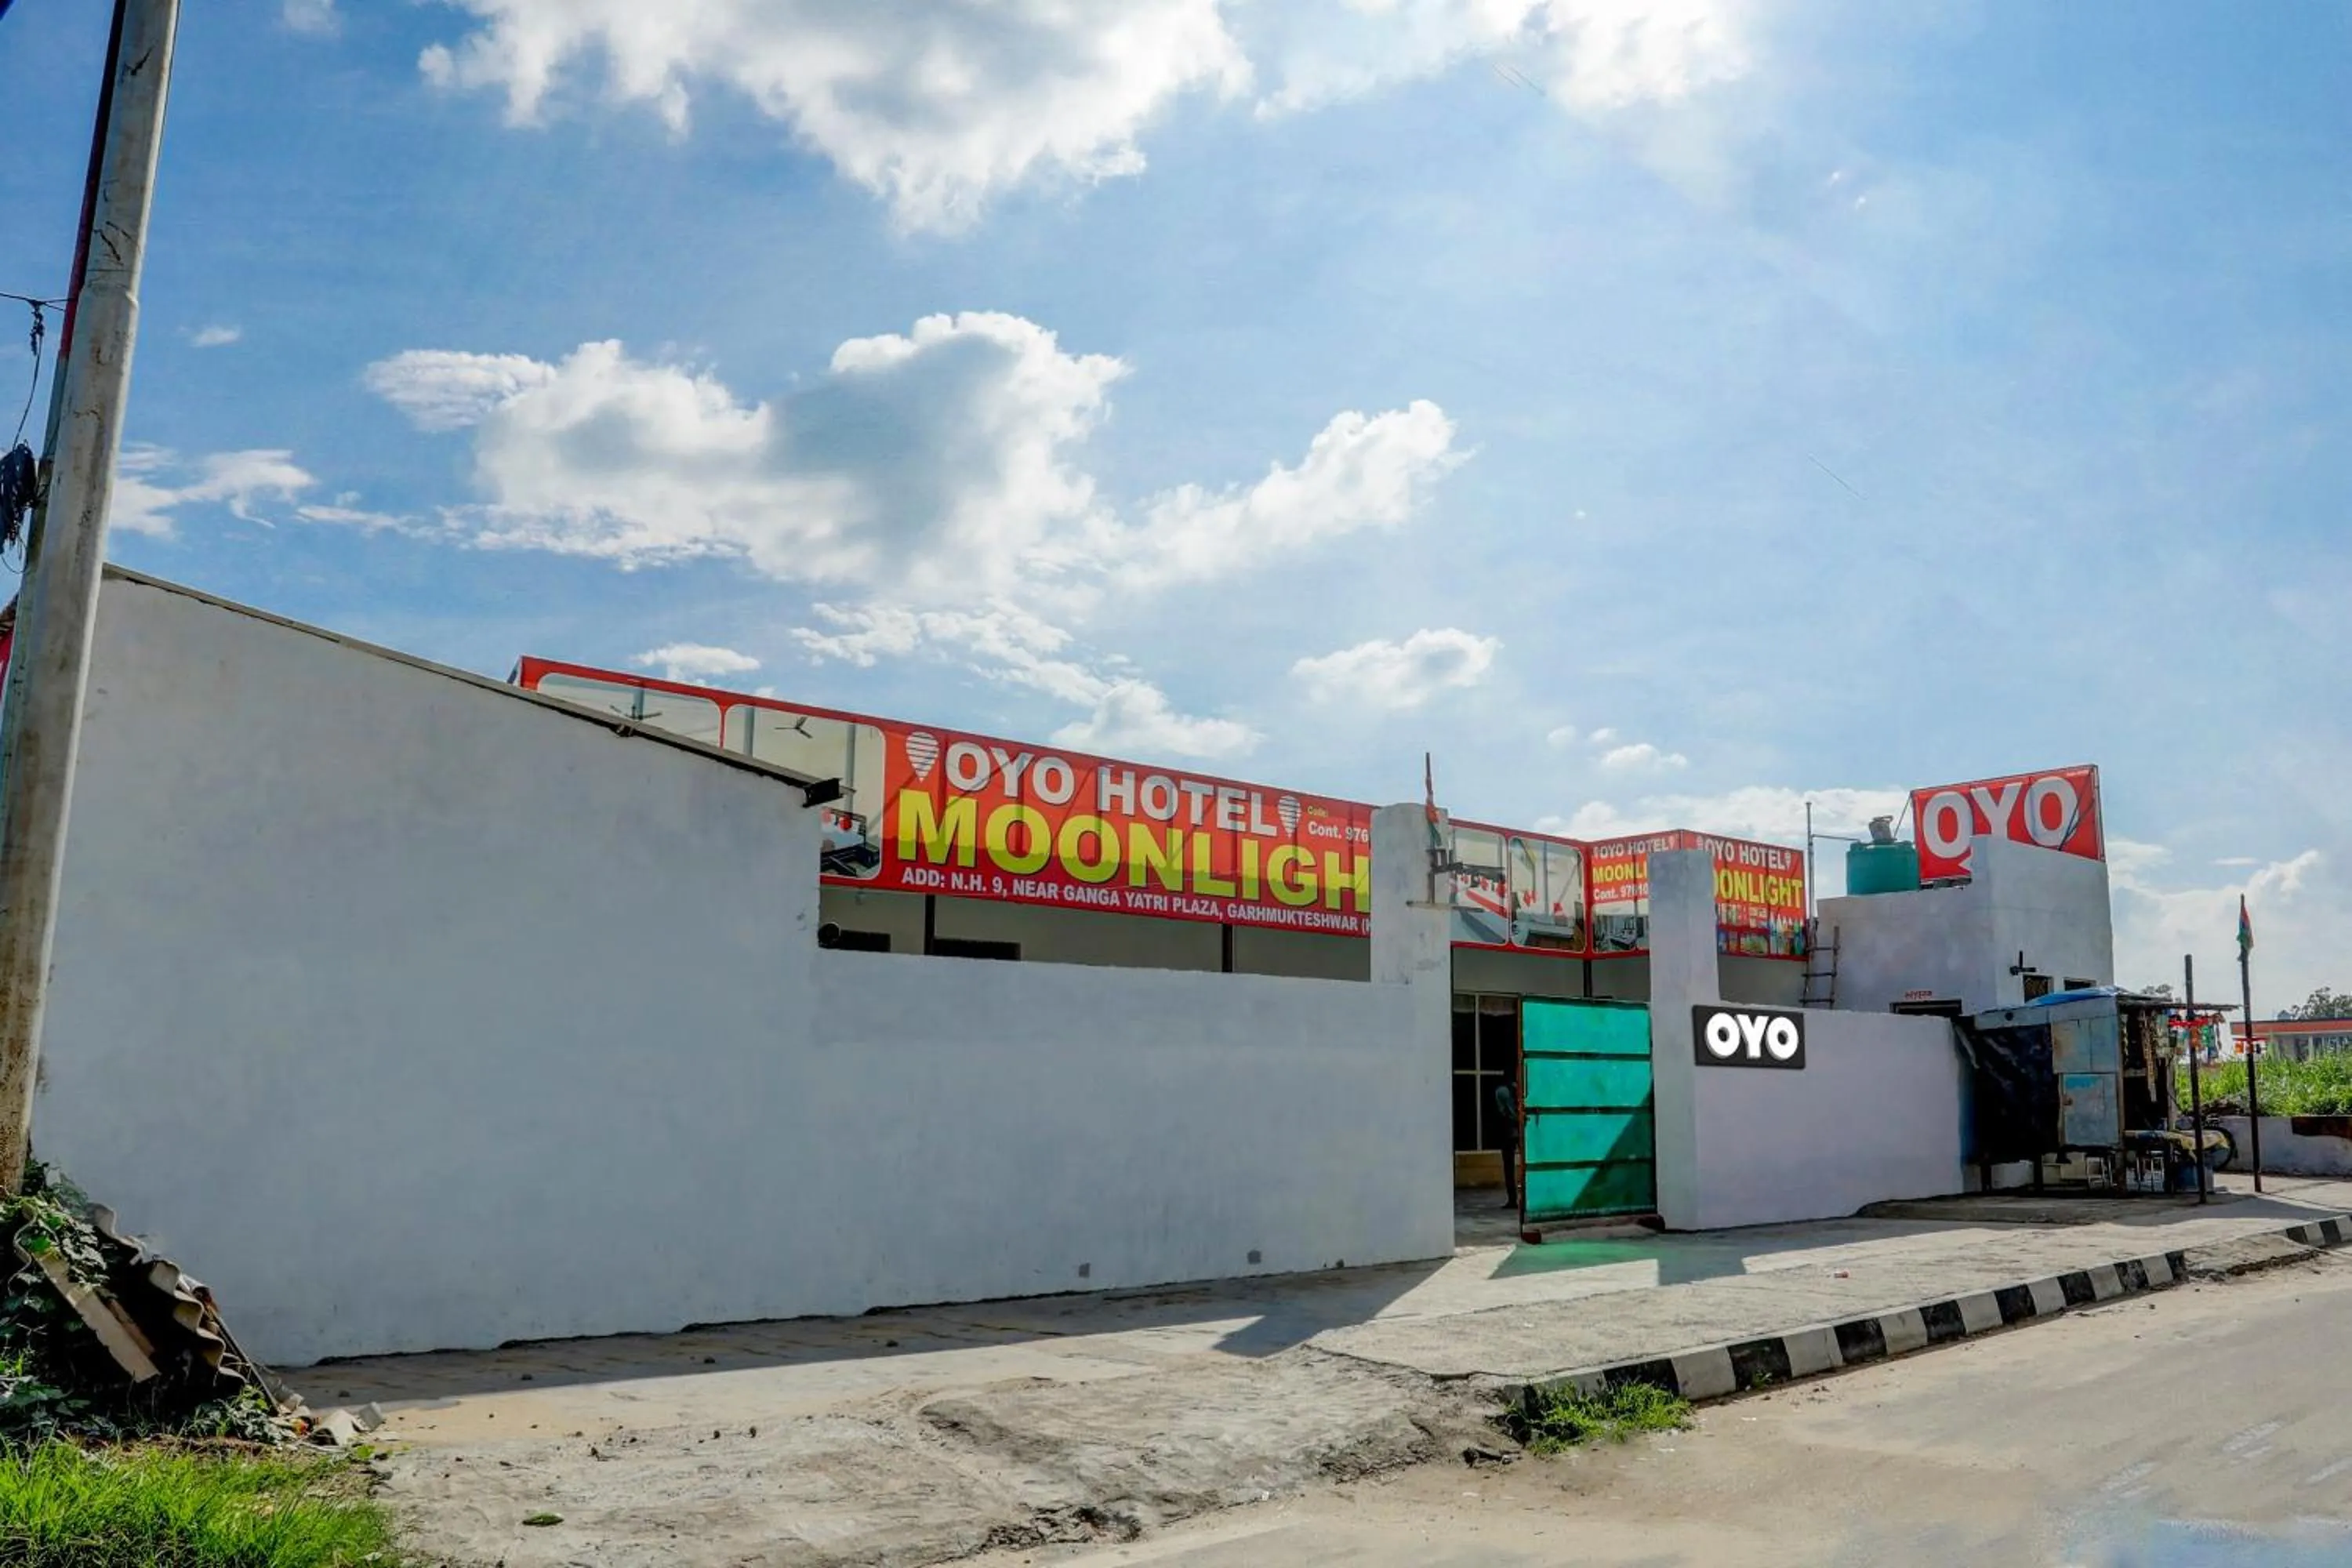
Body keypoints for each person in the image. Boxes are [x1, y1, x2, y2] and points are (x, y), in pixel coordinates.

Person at [1493, 1076, 1521, 1207]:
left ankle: (1512, 1199)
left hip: (1508, 1130)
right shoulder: (1520, 1088)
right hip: (1521, 1129)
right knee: (1526, 1165)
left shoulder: (1501, 1091)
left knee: (1509, 1166)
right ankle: (1528, 1199)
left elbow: (1501, 1111)